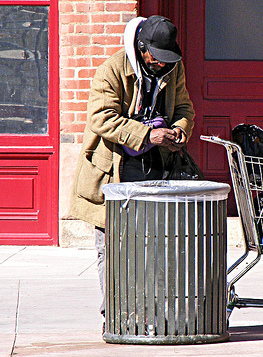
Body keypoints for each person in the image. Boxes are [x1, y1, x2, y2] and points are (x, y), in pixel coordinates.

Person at [69, 15, 195, 327]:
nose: (163, 65)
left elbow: (184, 109)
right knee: (112, 246)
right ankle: (113, 315)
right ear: (141, 49)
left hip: (154, 168)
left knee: (152, 245)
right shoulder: (111, 70)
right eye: (157, 58)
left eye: (169, 60)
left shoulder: (173, 67)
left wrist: (180, 130)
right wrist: (145, 134)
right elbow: (101, 118)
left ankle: (147, 312)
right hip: (113, 171)